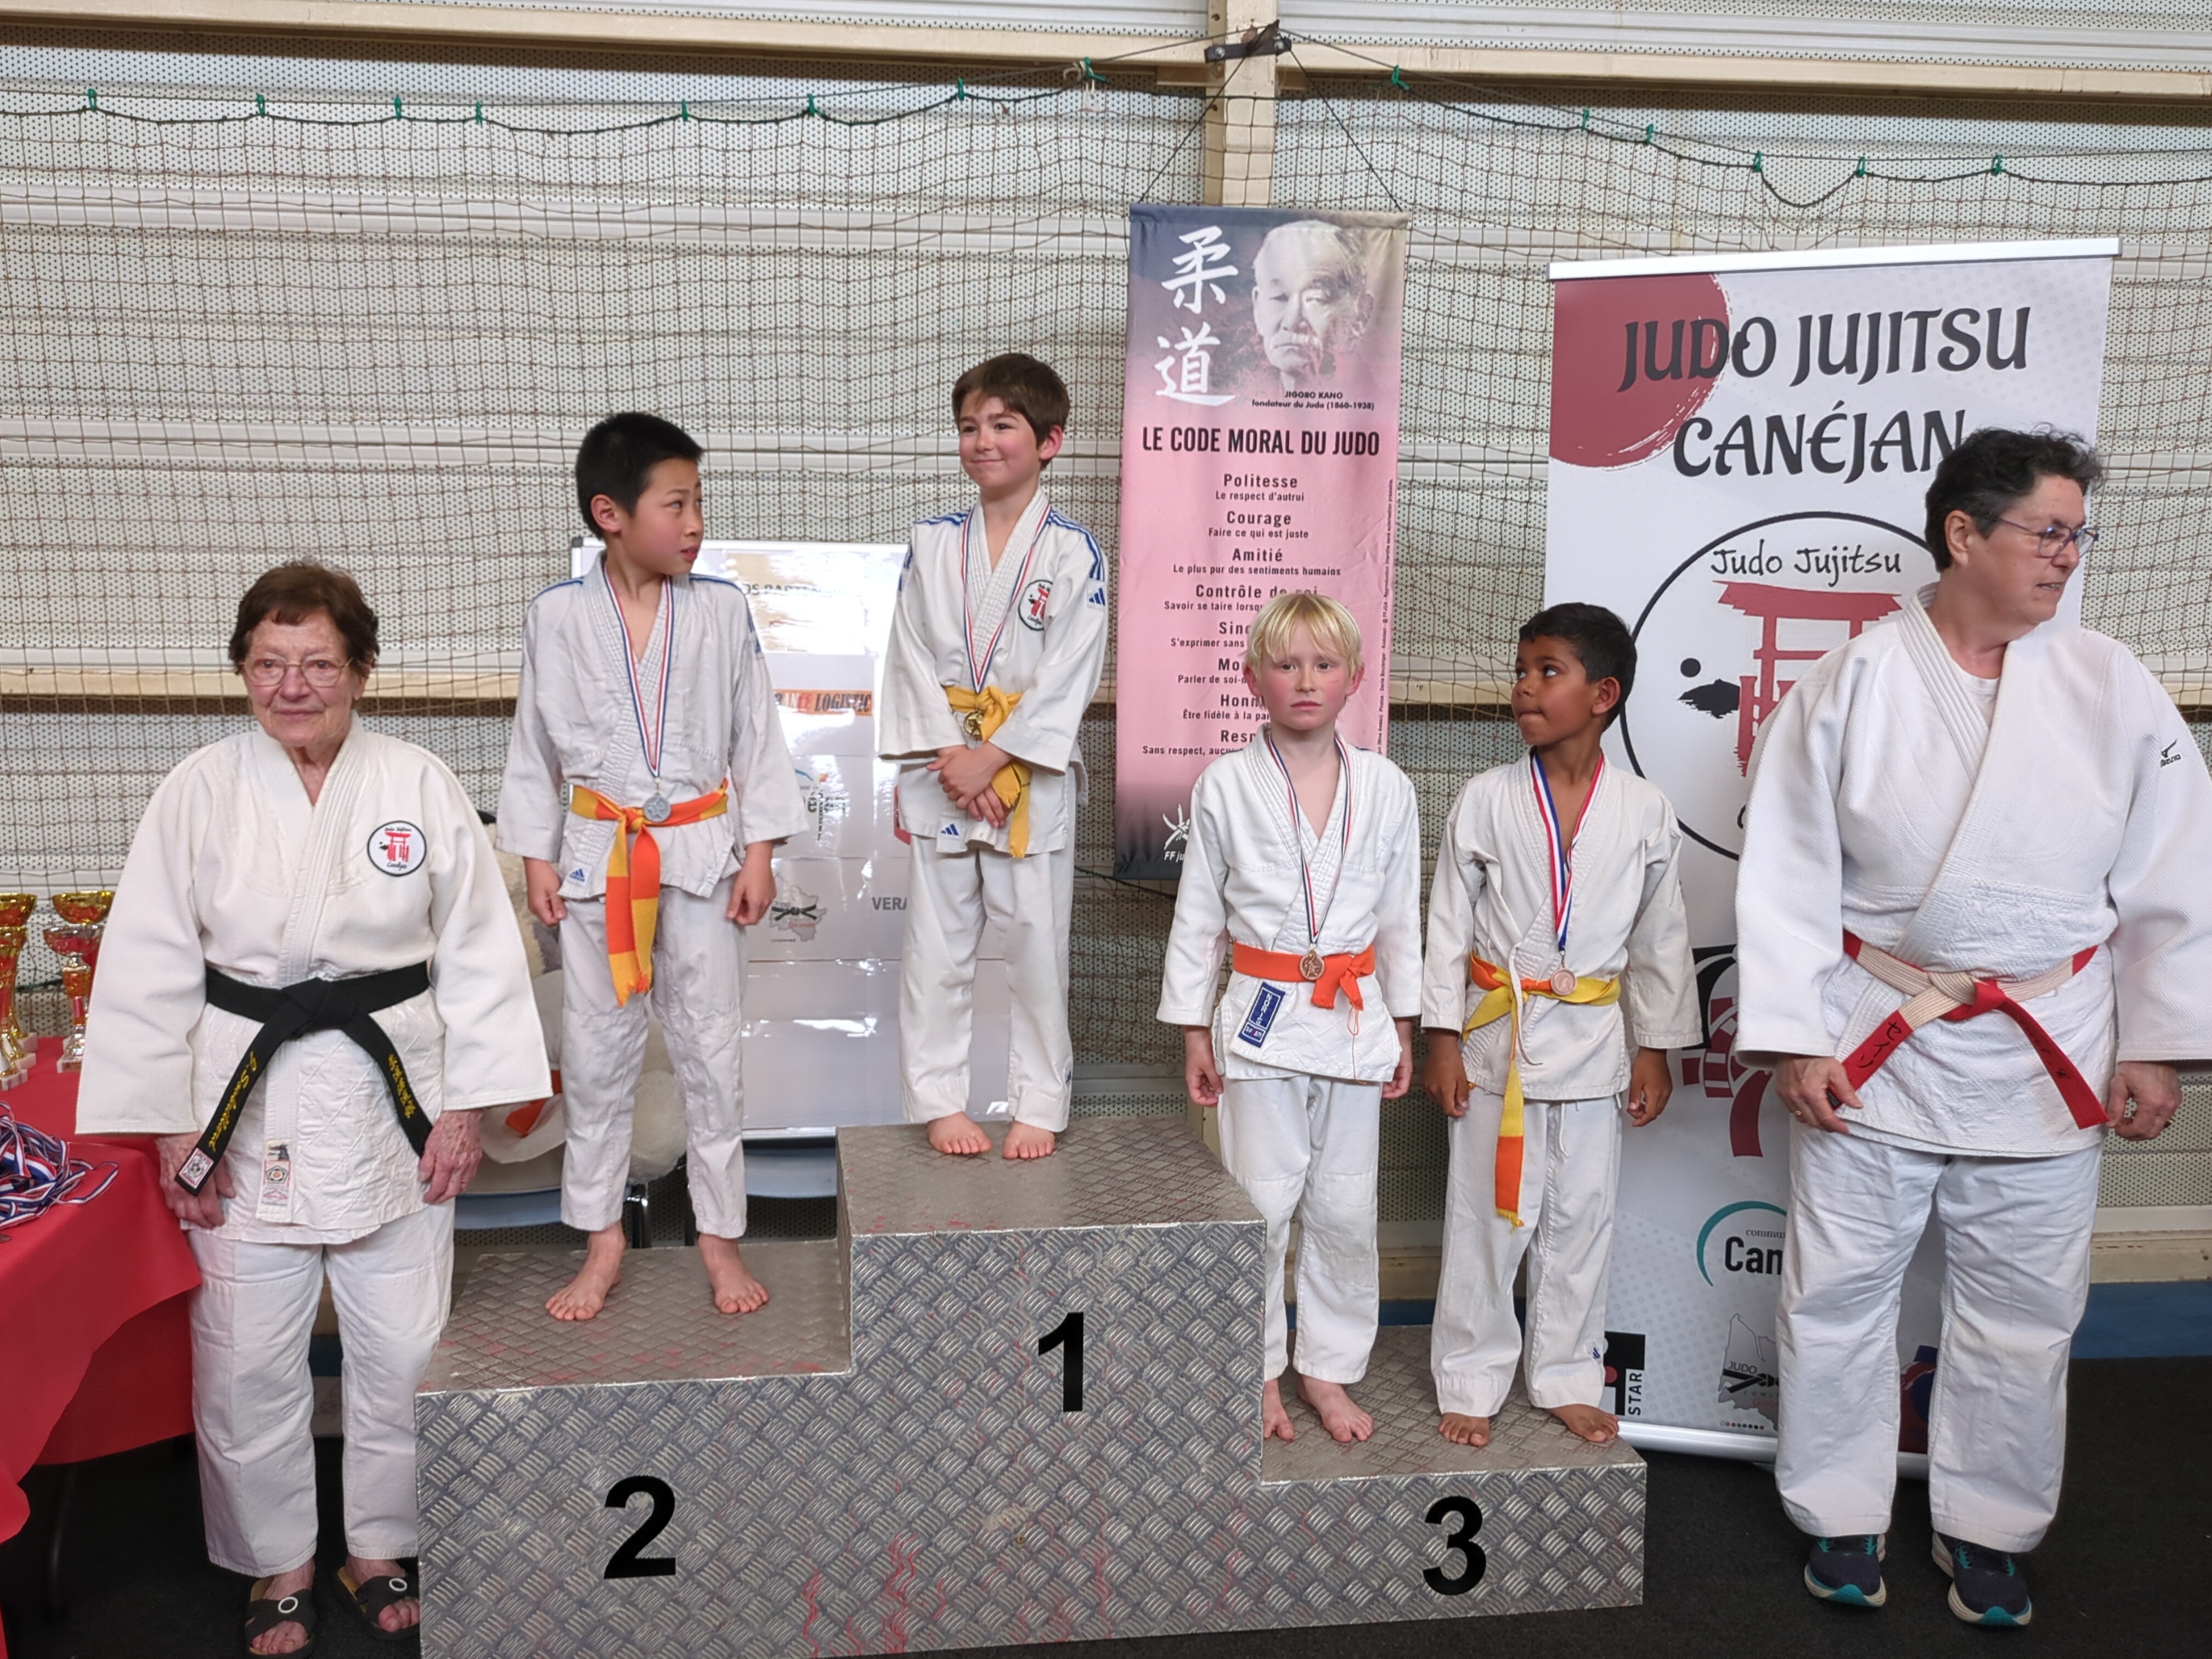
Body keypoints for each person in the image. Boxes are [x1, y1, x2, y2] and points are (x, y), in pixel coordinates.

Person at [1736, 428, 2212, 1627]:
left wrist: (2154, 1040)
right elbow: (1786, 874)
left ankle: (1988, 1526)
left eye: (2075, 535)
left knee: (2024, 1308)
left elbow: (2174, 872)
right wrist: (1794, 1035)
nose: (2067, 556)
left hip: (2047, 1040)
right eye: (2048, 531)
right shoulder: (1850, 681)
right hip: (1877, 1035)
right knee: (1838, 1291)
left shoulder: (2111, 682)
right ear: (1963, 533)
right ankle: (1839, 1512)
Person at [77, 563, 549, 1656]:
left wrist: (466, 1110)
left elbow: (480, 956)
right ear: (243, 671)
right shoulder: (197, 790)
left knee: (405, 1346)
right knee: (245, 1354)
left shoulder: (419, 782)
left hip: (396, 1099)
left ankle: (378, 1545)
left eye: (318, 664)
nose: (292, 686)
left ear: (361, 671)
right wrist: (171, 1124)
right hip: (244, 1101)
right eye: (269, 664)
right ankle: (278, 1559)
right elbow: (147, 962)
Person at [499, 413, 807, 1321]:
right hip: (601, 858)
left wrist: (760, 851)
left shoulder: (720, 610)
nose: (696, 522)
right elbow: (532, 750)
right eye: (676, 504)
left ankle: (719, 1237)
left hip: (703, 856)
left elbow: (757, 737)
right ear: (611, 514)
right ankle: (601, 1239)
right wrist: (535, 856)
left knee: (711, 1050)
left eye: (698, 501)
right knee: (597, 1056)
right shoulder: (556, 617)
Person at [1421, 604, 1699, 1448]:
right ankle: (1471, 1375)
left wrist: (1656, 1049)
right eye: (1522, 670)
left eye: (1548, 672)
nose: (1525, 688)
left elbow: (1661, 937)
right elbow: (1447, 926)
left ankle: (1569, 1374)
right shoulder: (1486, 799)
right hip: (1495, 1042)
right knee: (1487, 1220)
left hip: (1593, 1043)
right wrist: (1441, 1039)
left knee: (1581, 1221)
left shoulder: (1645, 810)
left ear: (1603, 695)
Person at [1158, 591, 1421, 1443]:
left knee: (1344, 1211)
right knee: (1262, 1209)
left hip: (1353, 1021)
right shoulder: (1225, 785)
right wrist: (1193, 1030)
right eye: (1286, 664)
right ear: (1251, 679)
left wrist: (1404, 1026)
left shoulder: (1388, 787)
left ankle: (1328, 1368)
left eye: (1324, 664)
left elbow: (1400, 919)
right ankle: (1259, 1370)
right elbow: (1199, 919)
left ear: (1355, 677)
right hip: (1260, 1023)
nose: (1305, 681)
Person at [877, 353, 1108, 1159]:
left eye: (1003, 425)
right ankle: (940, 1101)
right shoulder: (932, 543)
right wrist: (956, 754)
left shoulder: (1074, 554)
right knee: (937, 949)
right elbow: (908, 654)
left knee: (1035, 945)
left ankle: (1039, 1101)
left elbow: (1071, 672)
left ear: (1050, 441)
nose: (982, 441)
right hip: (945, 769)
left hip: (1025, 778)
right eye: (969, 426)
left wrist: (996, 759)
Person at [1250, 220, 1383, 393]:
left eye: (1316, 299)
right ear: (1258, 310)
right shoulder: (1243, 397)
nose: (1291, 322)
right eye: (1279, 297)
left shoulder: (1378, 401)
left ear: (1361, 314)